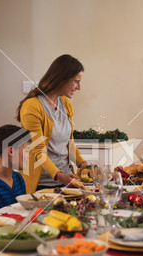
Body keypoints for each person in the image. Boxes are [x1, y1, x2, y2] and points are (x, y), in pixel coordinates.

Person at [16, 54, 88, 193]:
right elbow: (38, 152)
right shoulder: (32, 107)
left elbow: (69, 144)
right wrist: (60, 176)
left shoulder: (66, 104)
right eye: (76, 81)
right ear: (63, 79)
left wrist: (83, 164)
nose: (78, 87)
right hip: (42, 184)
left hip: (66, 179)